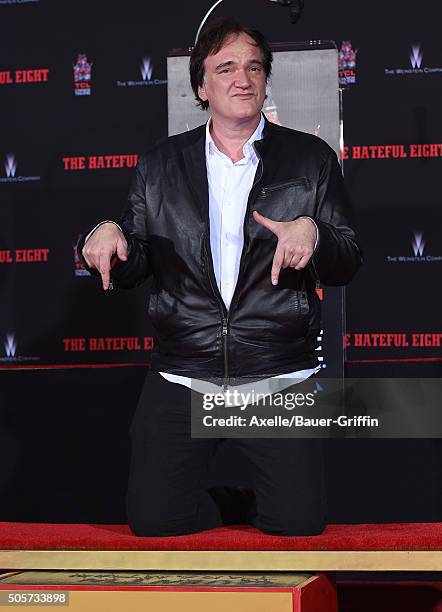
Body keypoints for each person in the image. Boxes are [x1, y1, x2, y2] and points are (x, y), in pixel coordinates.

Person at [78, 17, 362, 537]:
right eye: (226, 67)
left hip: (277, 371)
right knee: (154, 522)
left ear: (266, 79)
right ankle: (229, 503)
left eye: (254, 67)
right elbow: (136, 257)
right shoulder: (159, 164)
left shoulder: (311, 157)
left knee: (297, 526)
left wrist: (314, 234)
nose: (243, 78)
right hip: (185, 370)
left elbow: (347, 259)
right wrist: (106, 237)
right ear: (201, 86)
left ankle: (262, 501)